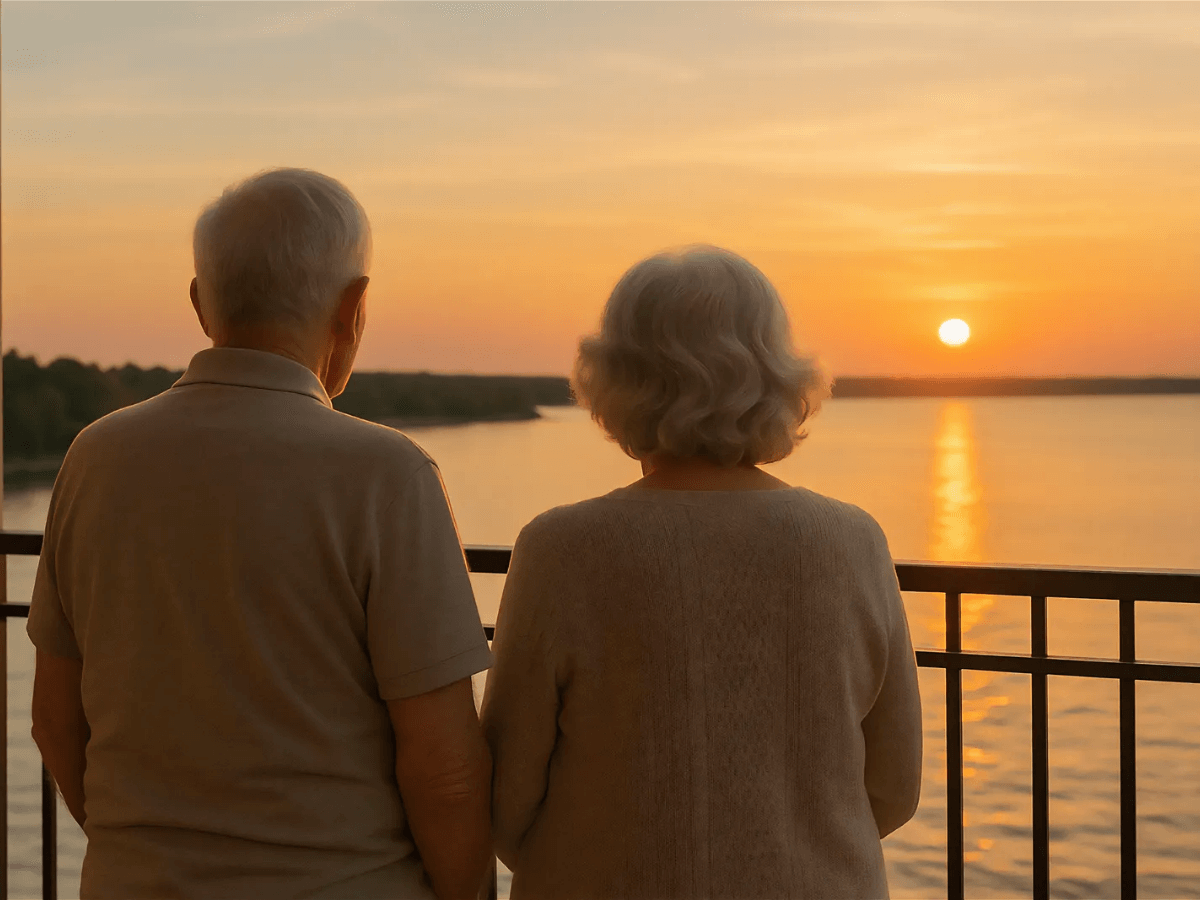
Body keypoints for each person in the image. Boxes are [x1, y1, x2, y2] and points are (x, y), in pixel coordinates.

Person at [28, 168, 494, 900]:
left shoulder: (93, 456)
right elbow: (445, 768)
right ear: (354, 308)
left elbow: (55, 721)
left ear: (199, 304)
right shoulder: (386, 475)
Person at [481, 245, 923, 898]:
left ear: (612, 377)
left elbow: (506, 798)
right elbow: (893, 787)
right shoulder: (853, 540)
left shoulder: (560, 549)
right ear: (778, 374)